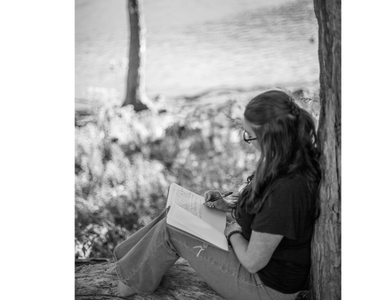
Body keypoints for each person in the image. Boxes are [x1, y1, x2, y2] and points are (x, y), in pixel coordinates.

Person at [106, 89, 322, 299]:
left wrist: (232, 230)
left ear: (270, 139)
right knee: (177, 211)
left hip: (265, 287)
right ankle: (125, 263)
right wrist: (227, 205)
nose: (246, 141)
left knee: (173, 230)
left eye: (250, 136)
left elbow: (253, 261)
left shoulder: (288, 190)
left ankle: (130, 282)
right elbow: (265, 212)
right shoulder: (285, 160)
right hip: (253, 264)